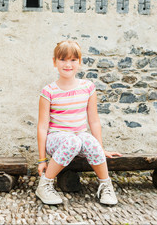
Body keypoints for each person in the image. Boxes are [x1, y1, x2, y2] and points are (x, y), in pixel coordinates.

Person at [36, 40, 122, 205]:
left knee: (89, 141)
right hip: (56, 139)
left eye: (73, 60)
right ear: (54, 62)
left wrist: (100, 148)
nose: (68, 64)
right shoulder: (48, 91)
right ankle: (45, 185)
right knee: (73, 141)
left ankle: (105, 185)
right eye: (62, 59)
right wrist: (41, 160)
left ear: (80, 62)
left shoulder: (88, 88)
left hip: (79, 136)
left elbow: (94, 121)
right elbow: (42, 127)